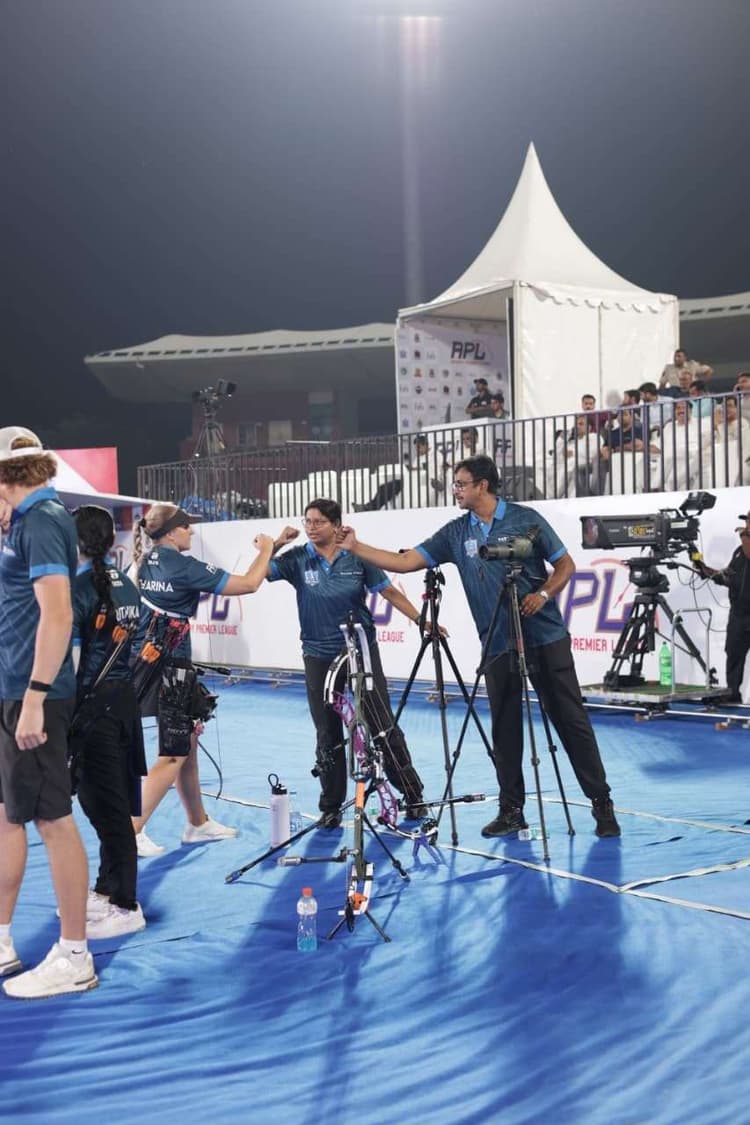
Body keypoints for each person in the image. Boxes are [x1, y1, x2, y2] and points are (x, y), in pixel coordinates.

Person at [337, 455, 620, 839]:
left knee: (571, 723)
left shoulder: (525, 519)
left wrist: (542, 594)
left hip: (546, 639)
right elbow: (405, 562)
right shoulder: (456, 533)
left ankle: (602, 803)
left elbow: (565, 565)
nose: (455, 490)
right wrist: (356, 546)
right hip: (496, 644)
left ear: (482, 485)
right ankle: (511, 810)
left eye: (461, 484)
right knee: (504, 729)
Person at [0, 426, 96, 1000]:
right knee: (9, 815)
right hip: (15, 689)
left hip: (33, 694)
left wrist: (34, 698)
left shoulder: (41, 521)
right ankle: (2, 939)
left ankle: (75, 955)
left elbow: (58, 616)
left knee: (53, 820)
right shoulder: (24, 520)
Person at [266, 498, 427, 826]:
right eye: (307, 521)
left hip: (360, 651)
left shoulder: (357, 555)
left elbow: (390, 593)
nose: (311, 528)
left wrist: (422, 621)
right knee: (327, 731)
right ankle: (331, 807)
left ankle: (413, 794)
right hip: (318, 655)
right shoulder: (297, 558)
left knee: (381, 724)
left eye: (319, 522)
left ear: (337, 525)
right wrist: (277, 543)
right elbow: (258, 573)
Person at [130, 503, 275, 856]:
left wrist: (275, 547)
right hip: (171, 668)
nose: (191, 532)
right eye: (186, 527)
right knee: (174, 753)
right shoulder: (184, 566)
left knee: (187, 743)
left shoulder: (144, 561)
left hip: (149, 660)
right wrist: (268, 548)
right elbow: (249, 584)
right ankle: (130, 831)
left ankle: (197, 823)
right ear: (171, 532)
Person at [69, 505, 147, 939]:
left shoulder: (79, 588)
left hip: (93, 708)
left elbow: (73, 662)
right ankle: (105, 888)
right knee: (107, 801)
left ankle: (125, 903)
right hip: (121, 703)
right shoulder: (125, 584)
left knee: (106, 806)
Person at [695, 516, 750, 703]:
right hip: (738, 615)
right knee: (733, 653)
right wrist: (706, 571)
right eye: (746, 522)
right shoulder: (739, 552)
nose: (746, 525)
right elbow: (728, 577)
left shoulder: (746, 546)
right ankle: (732, 694)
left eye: (749, 522)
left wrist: (745, 535)